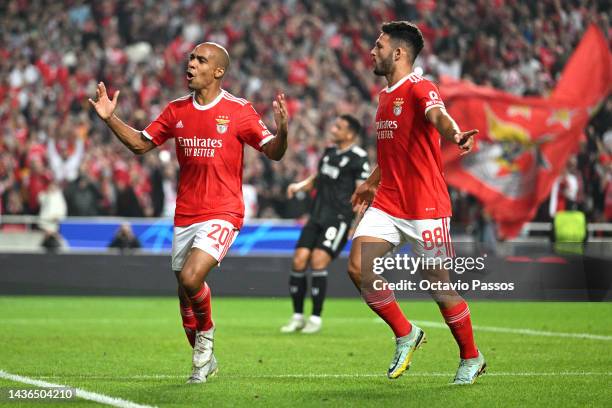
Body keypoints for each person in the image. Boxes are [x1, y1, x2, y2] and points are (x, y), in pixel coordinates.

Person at [89, 42, 289, 384]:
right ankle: (204, 361)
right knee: (184, 292)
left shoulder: (239, 111)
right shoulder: (175, 109)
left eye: (200, 60)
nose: (191, 64)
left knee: (192, 278)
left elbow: (273, 152)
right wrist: (111, 119)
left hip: (224, 211)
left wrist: (283, 131)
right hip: (186, 213)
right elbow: (140, 143)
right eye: (190, 59)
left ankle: (206, 337)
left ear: (218, 71)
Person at [349, 21, 485, 385]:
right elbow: (394, 152)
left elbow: (437, 115)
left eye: (378, 45)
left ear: (398, 53)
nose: (372, 51)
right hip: (389, 202)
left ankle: (471, 357)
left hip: (427, 206)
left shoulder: (419, 87)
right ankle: (406, 333)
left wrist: (454, 133)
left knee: (439, 285)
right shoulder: (384, 96)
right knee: (359, 269)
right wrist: (370, 183)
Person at [281, 114, 370, 334]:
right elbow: (317, 178)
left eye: (338, 126)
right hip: (317, 215)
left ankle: (316, 318)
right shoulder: (329, 152)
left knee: (318, 260)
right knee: (299, 260)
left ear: (350, 133)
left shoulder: (359, 158)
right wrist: (299, 185)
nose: (333, 129)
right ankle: (297, 317)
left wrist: (355, 225)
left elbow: (363, 195)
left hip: (339, 219)